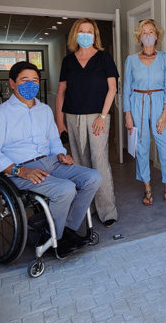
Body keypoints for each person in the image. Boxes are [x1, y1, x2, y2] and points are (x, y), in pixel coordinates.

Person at [0, 61, 101, 257]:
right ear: (12, 83)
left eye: (34, 80)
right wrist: (20, 170)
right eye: (24, 80)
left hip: (51, 162)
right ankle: (54, 237)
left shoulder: (44, 110)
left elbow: (53, 139)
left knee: (93, 177)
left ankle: (65, 230)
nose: (31, 84)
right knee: (66, 189)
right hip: (21, 169)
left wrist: (61, 153)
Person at [56, 18, 119, 227]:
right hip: (73, 117)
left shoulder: (104, 58)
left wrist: (103, 116)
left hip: (97, 117)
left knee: (99, 161)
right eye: (81, 31)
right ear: (76, 34)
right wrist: (60, 121)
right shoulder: (68, 61)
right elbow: (61, 93)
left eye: (89, 31)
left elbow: (112, 89)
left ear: (95, 35)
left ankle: (107, 210)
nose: (85, 35)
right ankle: (86, 208)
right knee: (80, 163)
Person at [123, 19, 166, 206]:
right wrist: (127, 114)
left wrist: (165, 112)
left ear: (157, 35)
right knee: (142, 147)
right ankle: (147, 188)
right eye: (144, 32)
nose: (148, 35)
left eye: (151, 31)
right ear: (139, 37)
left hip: (160, 103)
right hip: (138, 103)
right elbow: (127, 89)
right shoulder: (130, 60)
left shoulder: (165, 58)